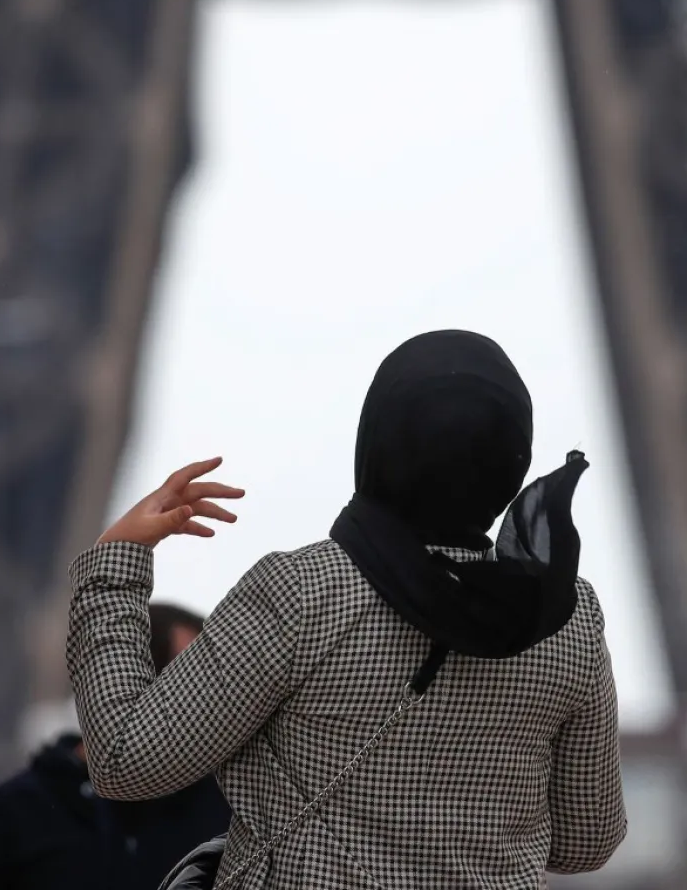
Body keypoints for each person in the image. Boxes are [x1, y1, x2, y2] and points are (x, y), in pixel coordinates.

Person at [68, 330, 626, 888]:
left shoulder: (300, 593)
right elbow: (586, 842)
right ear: (513, 458)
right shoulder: (566, 618)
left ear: (378, 442)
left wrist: (117, 563)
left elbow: (124, 759)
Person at [0, 604, 230, 890]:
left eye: (211, 688)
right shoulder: (4, 823)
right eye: (184, 684)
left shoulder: (228, 816)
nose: (202, 708)